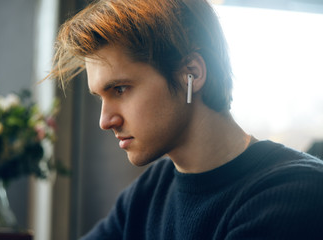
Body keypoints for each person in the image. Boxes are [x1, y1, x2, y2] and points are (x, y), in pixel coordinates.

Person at [48, 0, 323, 239]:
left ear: (191, 73)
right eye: (100, 97)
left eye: (120, 89)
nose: (105, 120)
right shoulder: (153, 188)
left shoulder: (292, 194)